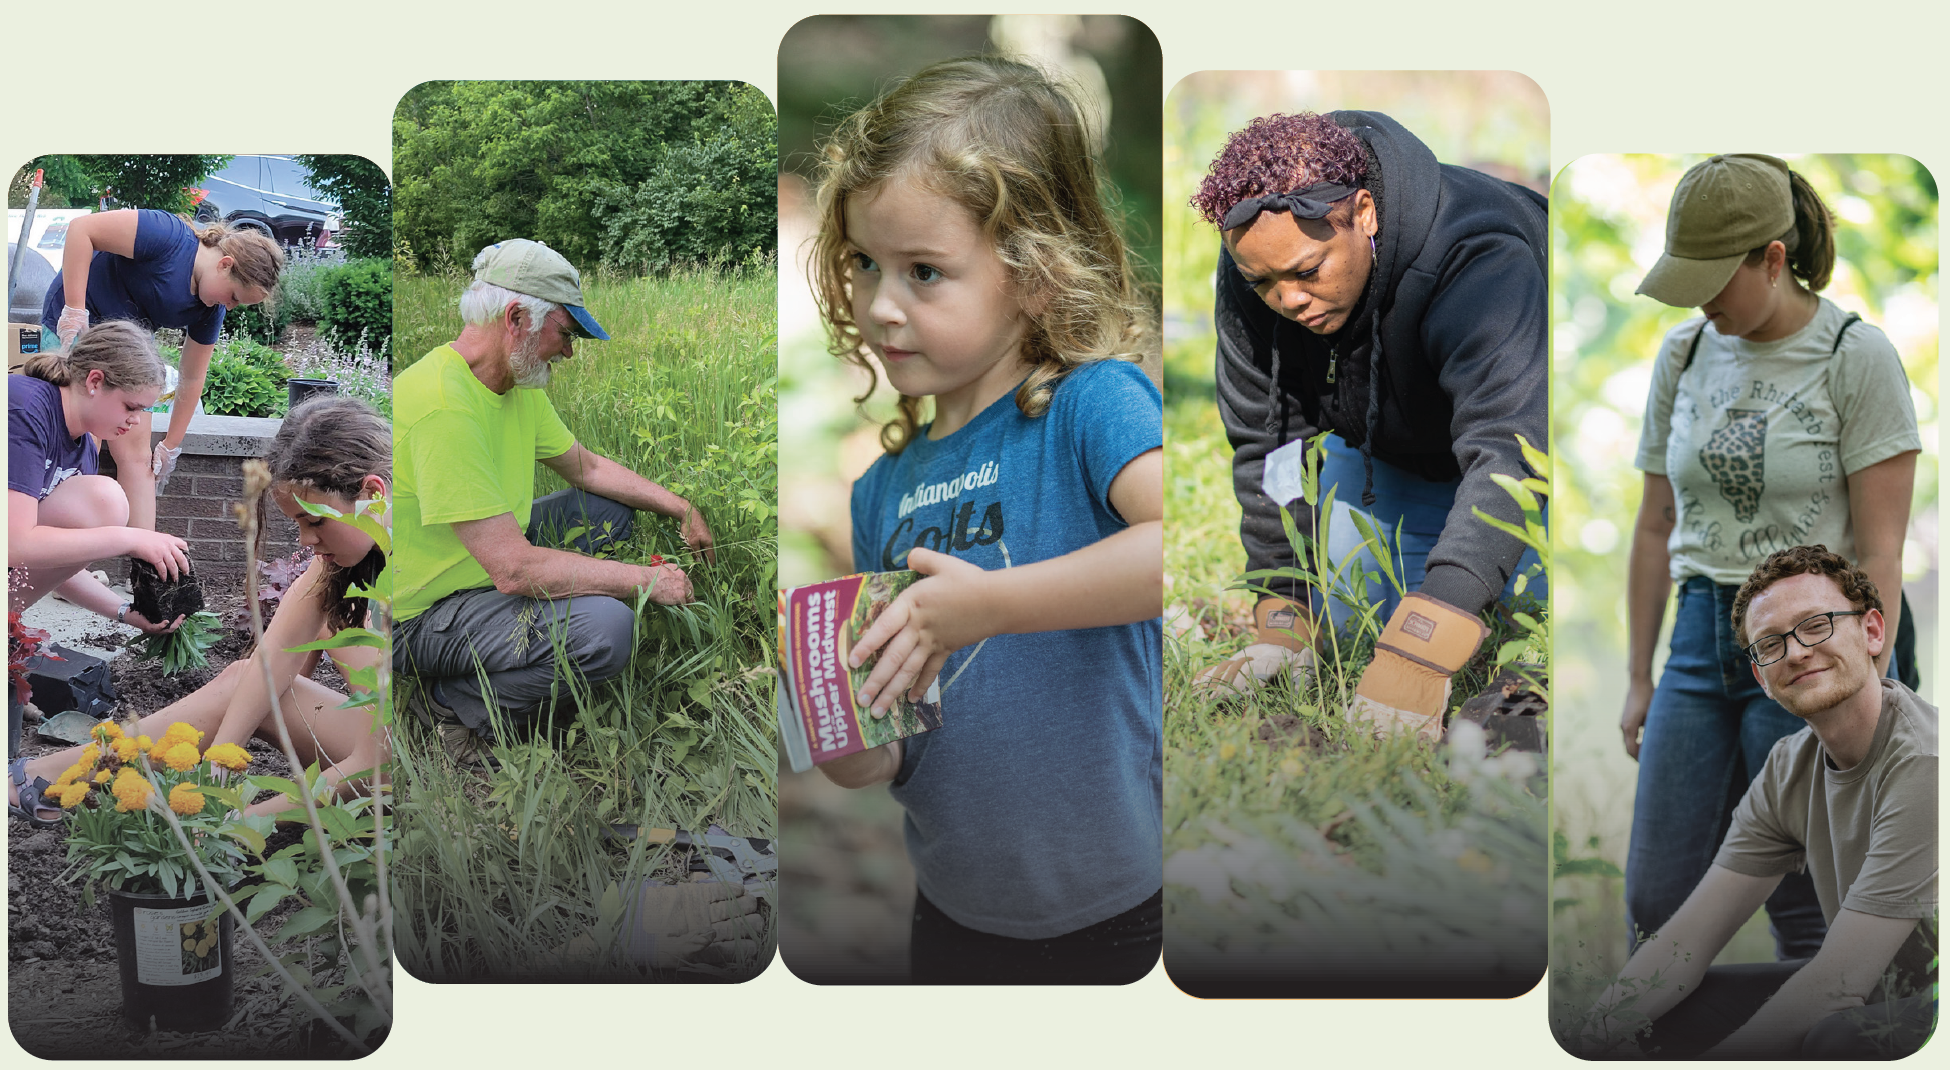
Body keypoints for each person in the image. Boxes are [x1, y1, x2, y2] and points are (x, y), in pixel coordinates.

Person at [807, 55, 1163, 984]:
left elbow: (1175, 552)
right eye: (864, 265)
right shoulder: (881, 490)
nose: (881, 306)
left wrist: (993, 604)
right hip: (957, 913)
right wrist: (847, 738)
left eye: (925, 271)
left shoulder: (1093, 407)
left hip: (1126, 907)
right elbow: (896, 743)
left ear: (1037, 276)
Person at [1621, 154, 1920, 963]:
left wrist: (1867, 677)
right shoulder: (1682, 356)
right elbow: (1655, 526)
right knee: (1655, 896)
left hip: (1812, 636)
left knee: (1808, 896)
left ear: (1774, 258)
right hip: (1698, 634)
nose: (1699, 300)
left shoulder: (1854, 356)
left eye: (1715, 278)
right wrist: (1640, 675)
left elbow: (1880, 548)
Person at [1185, 111, 1548, 743]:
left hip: (1534, 458)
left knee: (1528, 635)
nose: (1287, 301)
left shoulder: (1481, 254)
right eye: (1262, 282)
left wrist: (1423, 649)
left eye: (1306, 272)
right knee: (1357, 633)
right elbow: (1270, 446)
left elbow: (1510, 455)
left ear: (1364, 212)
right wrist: (1283, 619)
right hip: (1393, 457)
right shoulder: (1259, 262)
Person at [1579, 545, 1935, 1059]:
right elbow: (1683, 945)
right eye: (1770, 644)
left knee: (1834, 1036)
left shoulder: (1926, 761)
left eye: (1816, 625)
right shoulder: (1788, 768)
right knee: (1661, 1011)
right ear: (1760, 679)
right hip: (1876, 994)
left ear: (1874, 631)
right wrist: (1590, 1040)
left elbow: (1837, 985)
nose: (1794, 652)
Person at [391, 239, 715, 764]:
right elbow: (514, 570)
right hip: (421, 614)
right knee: (608, 630)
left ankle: (523, 650)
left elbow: (585, 467)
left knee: (608, 513)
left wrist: (682, 507)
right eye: (565, 334)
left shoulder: (514, 385)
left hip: (480, 561)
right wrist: (645, 579)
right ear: (516, 318)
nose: (568, 351)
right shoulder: (442, 410)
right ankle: (453, 708)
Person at [8, 395, 391, 826]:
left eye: (315, 521)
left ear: (371, 493)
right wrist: (213, 777)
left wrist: (237, 828)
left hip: (420, 776)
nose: (305, 541)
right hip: (378, 746)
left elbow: (381, 762)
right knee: (246, 677)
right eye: (297, 524)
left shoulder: (426, 576)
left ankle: (45, 777)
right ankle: (51, 773)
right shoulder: (340, 566)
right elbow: (270, 661)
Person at [42, 209, 284, 529]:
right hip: (75, 327)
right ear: (225, 265)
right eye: (233, 297)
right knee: (84, 441)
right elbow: (81, 230)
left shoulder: (209, 310)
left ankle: (149, 571)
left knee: (139, 456)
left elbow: (193, 375)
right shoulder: (166, 236)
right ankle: (62, 560)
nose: (229, 307)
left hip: (123, 350)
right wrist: (74, 309)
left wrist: (171, 444)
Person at [8, 320, 191, 640]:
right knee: (107, 500)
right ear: (95, 381)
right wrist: (131, 539)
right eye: (130, 407)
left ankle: (5, 617)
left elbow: (54, 566)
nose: (135, 421)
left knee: (101, 502)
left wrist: (125, 613)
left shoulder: (82, 449)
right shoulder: (24, 408)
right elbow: (15, 544)